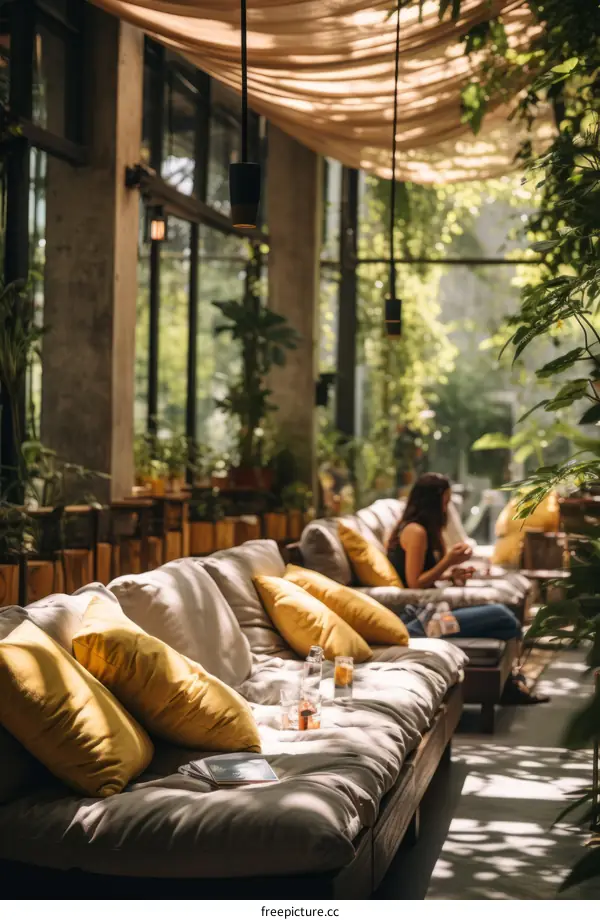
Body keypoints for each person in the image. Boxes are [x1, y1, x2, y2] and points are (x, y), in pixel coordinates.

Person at [387, 472, 548, 704]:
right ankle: (511, 686)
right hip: (423, 624)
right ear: (434, 500)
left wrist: (450, 576)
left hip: (433, 614)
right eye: (446, 500)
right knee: (503, 616)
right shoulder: (415, 532)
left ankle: (509, 683)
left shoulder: (426, 530)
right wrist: (448, 562)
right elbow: (414, 583)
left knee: (500, 618)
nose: (447, 507)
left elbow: (424, 578)